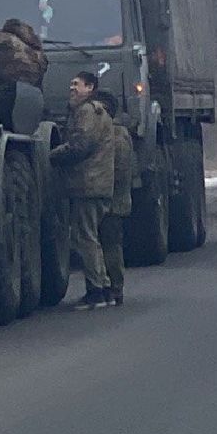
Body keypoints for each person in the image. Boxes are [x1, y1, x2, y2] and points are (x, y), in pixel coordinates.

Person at [50, 71, 115, 309]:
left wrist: (52, 155)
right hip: (96, 184)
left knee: (84, 238)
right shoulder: (98, 112)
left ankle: (96, 291)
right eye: (71, 84)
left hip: (89, 185)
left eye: (76, 85)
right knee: (91, 237)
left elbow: (81, 145)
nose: (72, 88)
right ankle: (104, 288)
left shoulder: (88, 112)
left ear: (90, 87)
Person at [92, 90, 133, 307]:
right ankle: (113, 287)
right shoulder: (121, 133)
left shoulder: (114, 135)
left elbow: (116, 169)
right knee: (109, 244)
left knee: (109, 245)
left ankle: (113, 287)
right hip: (117, 199)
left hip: (111, 199)